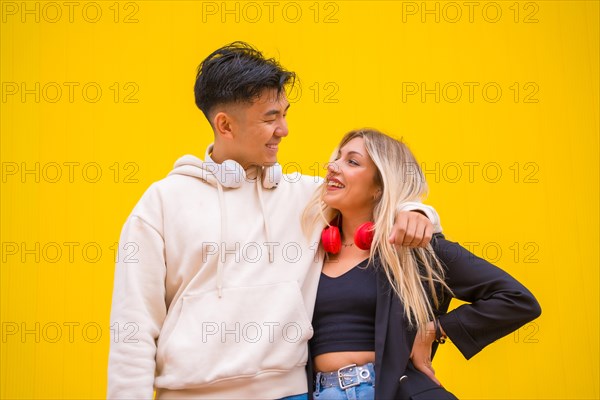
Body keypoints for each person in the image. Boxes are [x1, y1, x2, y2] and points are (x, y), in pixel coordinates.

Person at [106, 42, 441, 399]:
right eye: (270, 117)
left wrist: (417, 211)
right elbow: (133, 326)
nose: (283, 129)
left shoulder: (308, 198)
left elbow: (378, 195)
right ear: (225, 125)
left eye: (284, 113)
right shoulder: (161, 203)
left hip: (290, 394)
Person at [302, 129, 542, 399]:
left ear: (380, 186)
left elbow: (517, 299)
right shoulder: (309, 250)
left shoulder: (413, 251)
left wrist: (436, 329)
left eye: (352, 161)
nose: (332, 167)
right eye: (336, 158)